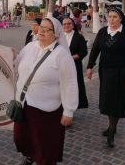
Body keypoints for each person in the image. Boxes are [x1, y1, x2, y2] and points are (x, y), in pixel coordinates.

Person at [14, 17, 78, 165]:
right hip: (24, 104)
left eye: (46, 29)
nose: (41, 30)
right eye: (40, 27)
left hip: (47, 110)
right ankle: (30, 155)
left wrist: (69, 111)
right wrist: (9, 55)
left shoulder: (62, 55)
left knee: (45, 145)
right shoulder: (30, 47)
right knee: (20, 137)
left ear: (55, 34)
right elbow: (15, 65)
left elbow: (70, 83)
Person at [86, 8, 125, 148]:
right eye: (110, 17)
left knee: (118, 100)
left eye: (115, 17)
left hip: (123, 72)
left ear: (120, 18)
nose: (112, 19)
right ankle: (112, 127)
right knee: (108, 99)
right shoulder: (103, 32)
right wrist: (90, 66)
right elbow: (95, 49)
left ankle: (111, 132)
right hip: (106, 72)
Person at [63, 17, 88, 109]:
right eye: (64, 24)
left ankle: (70, 109)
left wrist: (71, 58)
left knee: (72, 88)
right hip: (61, 68)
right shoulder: (58, 37)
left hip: (74, 66)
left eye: (69, 23)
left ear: (73, 25)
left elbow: (84, 52)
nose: (67, 25)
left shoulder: (79, 37)